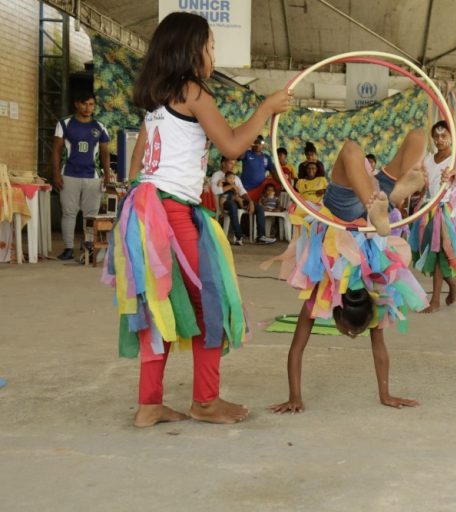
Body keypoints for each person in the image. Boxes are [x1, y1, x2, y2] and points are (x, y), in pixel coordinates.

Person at [105, 12, 291, 427]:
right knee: (210, 305)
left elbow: (137, 163)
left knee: (159, 309)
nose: (212, 54)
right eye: (209, 46)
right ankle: (205, 400)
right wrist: (265, 108)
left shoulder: (155, 98)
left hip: (144, 209)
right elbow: (232, 145)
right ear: (191, 50)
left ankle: (149, 403)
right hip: (170, 211)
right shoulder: (193, 91)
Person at [269, 130, 430, 413]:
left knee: (358, 150)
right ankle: (390, 199)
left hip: (360, 208)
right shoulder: (350, 295)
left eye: (350, 333)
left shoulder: (360, 291)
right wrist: (385, 394)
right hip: (367, 203)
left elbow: (297, 349)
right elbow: (298, 350)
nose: (353, 336)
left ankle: (389, 201)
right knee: (360, 150)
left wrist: (296, 398)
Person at [409, 120, 456, 313]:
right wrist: (415, 208)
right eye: (436, 136)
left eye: (443, 136)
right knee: (431, 254)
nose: (439, 140)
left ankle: (435, 300)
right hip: (428, 210)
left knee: (440, 254)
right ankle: (452, 284)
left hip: (447, 212)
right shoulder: (428, 160)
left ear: (451, 138)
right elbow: (425, 188)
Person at [52, 90, 112, 261]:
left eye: (91, 104)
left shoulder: (99, 126)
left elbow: (105, 153)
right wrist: (56, 174)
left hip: (93, 177)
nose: (88, 108)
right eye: (84, 104)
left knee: (90, 215)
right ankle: (68, 248)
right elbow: (56, 151)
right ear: (76, 104)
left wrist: (107, 176)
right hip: (69, 175)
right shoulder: (65, 123)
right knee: (69, 213)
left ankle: (88, 247)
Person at [211, 158, 275, 245]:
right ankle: (239, 236)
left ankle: (261, 236)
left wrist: (250, 202)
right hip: (224, 200)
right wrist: (231, 186)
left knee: (259, 208)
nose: (233, 166)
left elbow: (242, 191)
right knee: (233, 205)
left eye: (234, 164)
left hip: (236, 199)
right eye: (230, 163)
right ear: (223, 164)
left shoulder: (235, 177)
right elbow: (215, 191)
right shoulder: (217, 175)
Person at [241, 135, 279, 202]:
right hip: (246, 190)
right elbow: (238, 157)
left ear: (263, 144)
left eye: (260, 143)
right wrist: (248, 144)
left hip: (260, 190)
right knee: (246, 208)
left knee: (272, 181)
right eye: (256, 142)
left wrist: (282, 183)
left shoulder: (266, 157)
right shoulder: (247, 153)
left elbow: (273, 172)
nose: (258, 145)